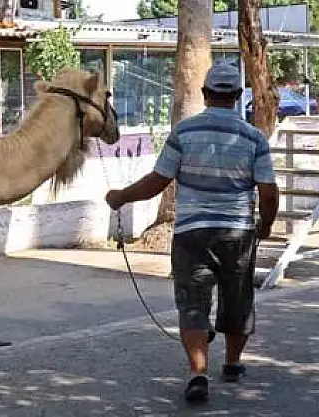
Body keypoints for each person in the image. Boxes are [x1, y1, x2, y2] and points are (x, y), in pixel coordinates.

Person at [104, 62, 279, 404]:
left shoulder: (184, 133)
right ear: (238, 95)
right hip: (237, 232)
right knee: (238, 298)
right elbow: (269, 191)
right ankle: (232, 363)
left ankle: (198, 373)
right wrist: (266, 225)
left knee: (193, 304)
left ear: (205, 94)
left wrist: (121, 196)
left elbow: (158, 181)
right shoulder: (254, 138)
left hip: (191, 233)